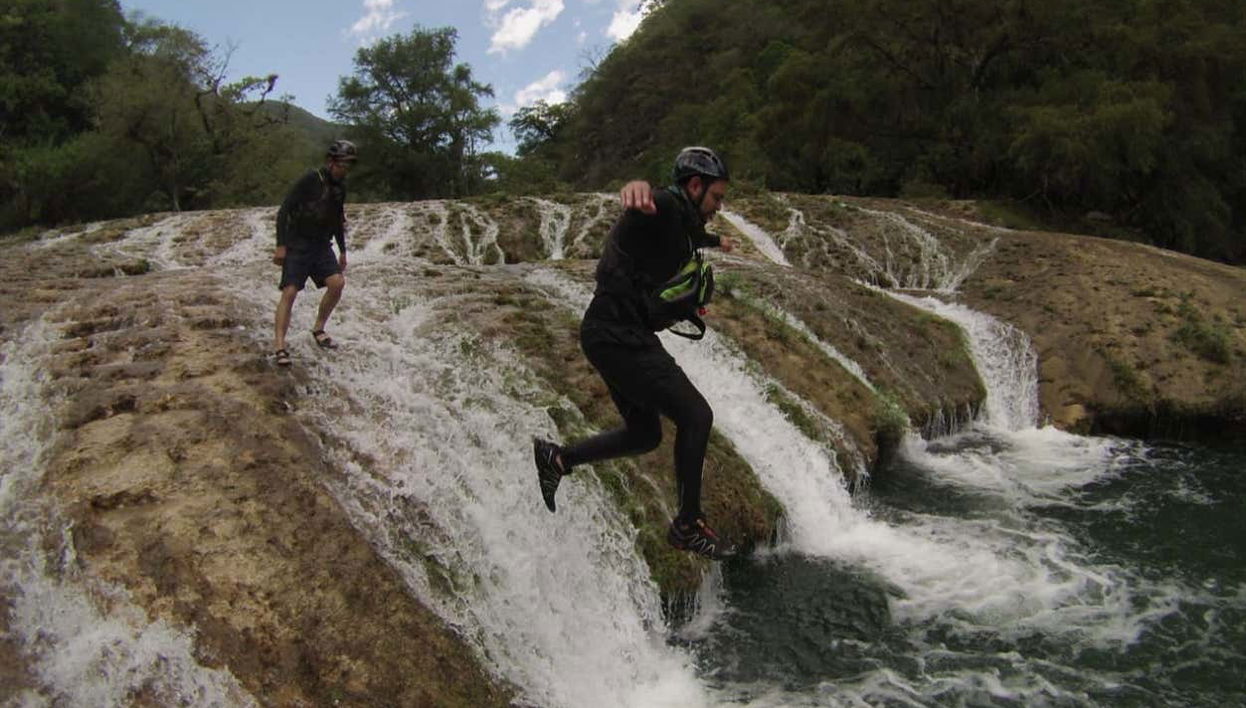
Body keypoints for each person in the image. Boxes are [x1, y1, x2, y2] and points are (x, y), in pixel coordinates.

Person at [533, 146, 736, 560]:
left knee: (645, 435)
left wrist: (719, 241)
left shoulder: (685, 221)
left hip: (616, 334)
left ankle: (558, 459)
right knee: (697, 416)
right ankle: (688, 525)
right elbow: (642, 201)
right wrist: (635, 187)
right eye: (716, 197)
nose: (719, 206)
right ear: (694, 186)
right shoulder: (660, 205)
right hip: (616, 335)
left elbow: (693, 236)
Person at [271, 139, 357, 366]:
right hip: (298, 243)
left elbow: (337, 220)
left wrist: (342, 251)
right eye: (342, 164)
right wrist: (281, 245)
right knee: (290, 292)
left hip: (321, 245)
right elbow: (284, 211)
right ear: (331, 162)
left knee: (337, 283)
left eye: (348, 165)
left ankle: (319, 328)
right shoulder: (310, 179)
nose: (344, 170)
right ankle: (279, 346)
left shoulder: (340, 188)